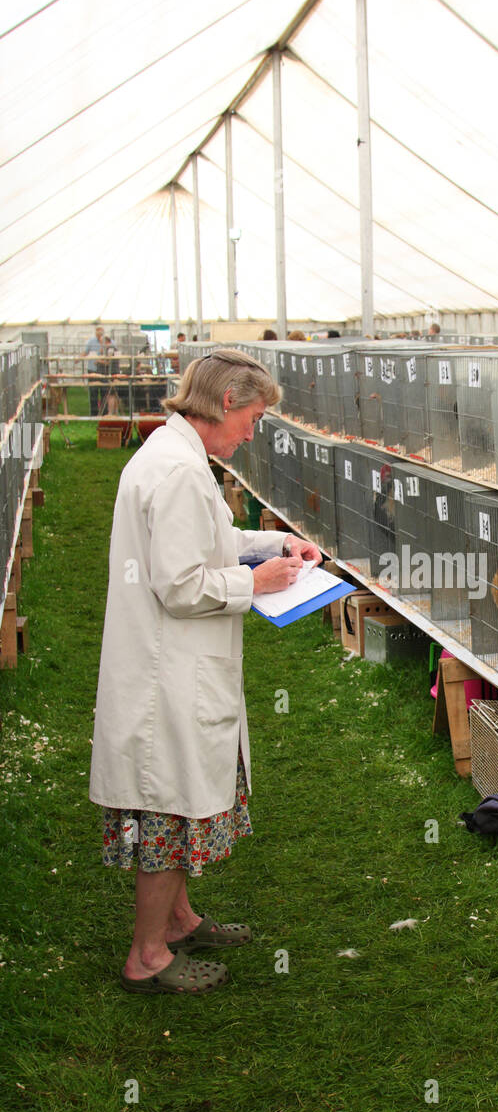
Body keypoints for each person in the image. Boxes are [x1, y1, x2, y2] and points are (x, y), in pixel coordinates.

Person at [90, 348, 322, 994]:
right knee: (168, 805)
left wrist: (275, 547)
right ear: (225, 403)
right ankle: (147, 957)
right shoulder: (179, 473)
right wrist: (257, 585)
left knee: (182, 800)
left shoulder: (182, 458)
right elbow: (181, 583)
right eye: (253, 416)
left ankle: (179, 919)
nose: (254, 431)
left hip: (174, 669)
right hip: (166, 680)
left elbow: (210, 544)